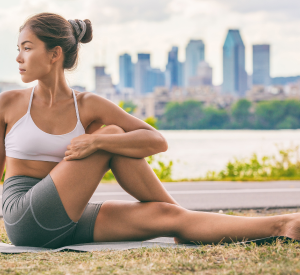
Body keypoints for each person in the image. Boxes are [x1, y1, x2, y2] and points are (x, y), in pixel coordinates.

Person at [1, 13, 299, 248]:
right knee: (115, 135)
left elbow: (156, 141)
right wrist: (103, 141)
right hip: (25, 217)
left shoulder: (88, 104)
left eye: (27, 49)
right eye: (19, 49)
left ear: (54, 55)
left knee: (166, 216)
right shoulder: (9, 103)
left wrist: (95, 142)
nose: (18, 58)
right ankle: (187, 221)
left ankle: (283, 224)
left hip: (68, 216)